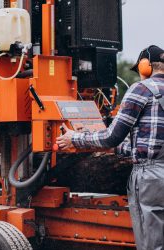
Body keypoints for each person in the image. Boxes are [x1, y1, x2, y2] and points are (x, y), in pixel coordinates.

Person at [56, 45, 164, 250]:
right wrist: (111, 148)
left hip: (151, 179)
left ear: (145, 66)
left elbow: (111, 137)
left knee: (152, 244)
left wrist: (75, 138)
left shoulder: (142, 89)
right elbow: (149, 142)